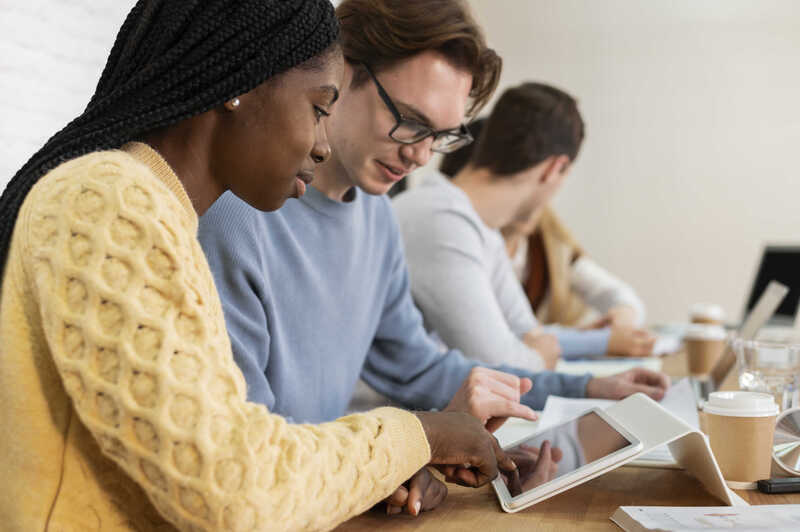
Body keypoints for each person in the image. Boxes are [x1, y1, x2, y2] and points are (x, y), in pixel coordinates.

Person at [0, 2, 516, 530]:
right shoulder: (111, 202)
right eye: (319, 109)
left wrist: (394, 461)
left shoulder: (158, 211)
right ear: (239, 85)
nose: (321, 145)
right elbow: (232, 490)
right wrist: (419, 437)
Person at [198, 0, 668, 466]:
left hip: (337, 485)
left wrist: (582, 388)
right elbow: (251, 446)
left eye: (440, 136)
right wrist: (402, 458)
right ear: (339, 74)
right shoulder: (235, 215)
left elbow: (420, 369)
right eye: (410, 122)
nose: (422, 156)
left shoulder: (376, 217)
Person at [394, 83, 656, 376]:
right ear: (554, 168)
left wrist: (536, 350)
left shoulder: (482, 229)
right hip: (373, 417)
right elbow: (501, 365)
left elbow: (530, 335)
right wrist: (536, 354)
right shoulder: (441, 220)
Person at [441, 117, 650, 340]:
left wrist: (623, 317)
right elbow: (494, 337)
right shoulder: (460, 244)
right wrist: (589, 341)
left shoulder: (547, 243)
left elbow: (620, 296)